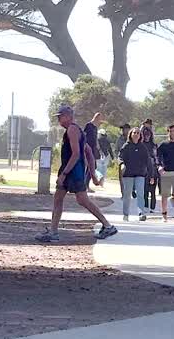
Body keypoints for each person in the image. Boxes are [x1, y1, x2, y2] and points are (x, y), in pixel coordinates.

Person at [37, 104, 117, 243]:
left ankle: (107, 225)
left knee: (82, 200)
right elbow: (89, 153)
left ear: (68, 116)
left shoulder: (72, 130)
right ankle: (53, 232)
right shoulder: (76, 130)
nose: (59, 120)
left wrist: (64, 173)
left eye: (60, 117)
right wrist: (93, 175)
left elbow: (76, 154)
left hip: (73, 172)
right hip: (73, 170)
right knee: (58, 198)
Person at [117, 127, 149, 222]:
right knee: (127, 195)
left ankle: (141, 213)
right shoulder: (126, 146)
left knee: (140, 193)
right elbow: (120, 157)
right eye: (134, 133)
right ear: (130, 134)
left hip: (140, 174)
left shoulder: (142, 147)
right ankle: (125, 214)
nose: (136, 134)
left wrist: (151, 174)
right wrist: (122, 164)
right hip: (128, 174)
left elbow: (147, 161)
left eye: (138, 133)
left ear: (140, 136)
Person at [85, 113, 114, 188]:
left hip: (93, 149)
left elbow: (95, 139)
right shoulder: (89, 125)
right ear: (96, 117)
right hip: (87, 148)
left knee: (92, 167)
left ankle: (86, 185)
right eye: (100, 118)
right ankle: (85, 185)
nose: (100, 121)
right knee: (89, 167)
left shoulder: (95, 127)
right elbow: (84, 136)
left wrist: (98, 148)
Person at [140, 125, 159, 211]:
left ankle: (152, 207)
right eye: (145, 134)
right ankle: (146, 206)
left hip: (153, 170)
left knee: (153, 190)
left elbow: (156, 157)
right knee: (145, 189)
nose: (147, 136)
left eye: (148, 134)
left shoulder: (154, 145)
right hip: (143, 169)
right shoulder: (141, 145)